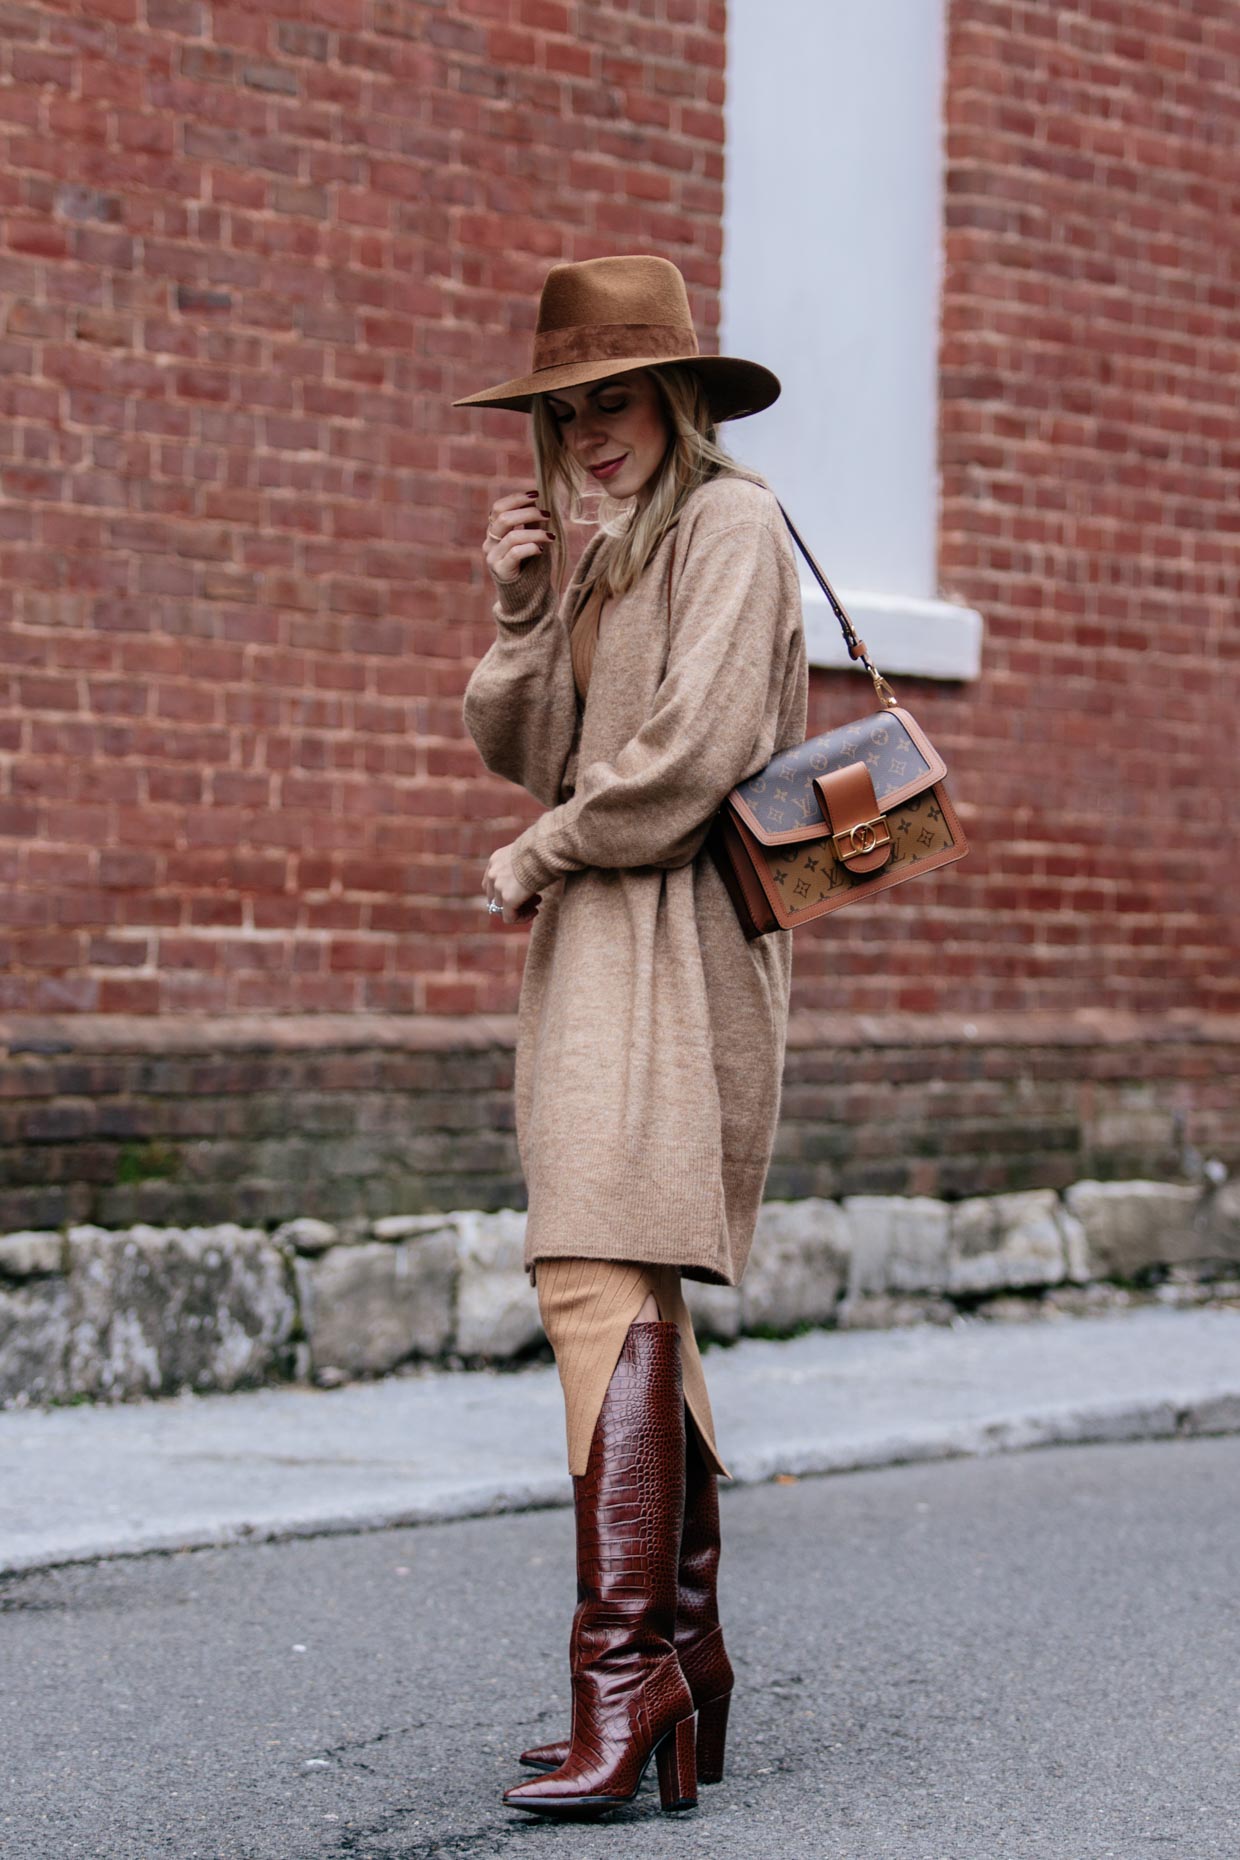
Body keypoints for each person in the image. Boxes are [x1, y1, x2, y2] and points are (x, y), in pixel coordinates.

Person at [452, 254, 809, 1819]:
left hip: (678, 943)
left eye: (617, 398)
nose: (592, 432)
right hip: (602, 941)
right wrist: (533, 600)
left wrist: (540, 857)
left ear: (677, 396)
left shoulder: (733, 523)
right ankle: (683, 1657)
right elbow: (533, 749)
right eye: (567, 407)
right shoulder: (604, 551)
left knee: (594, 1256)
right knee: (620, 1262)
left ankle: (628, 1671)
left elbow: (687, 761)